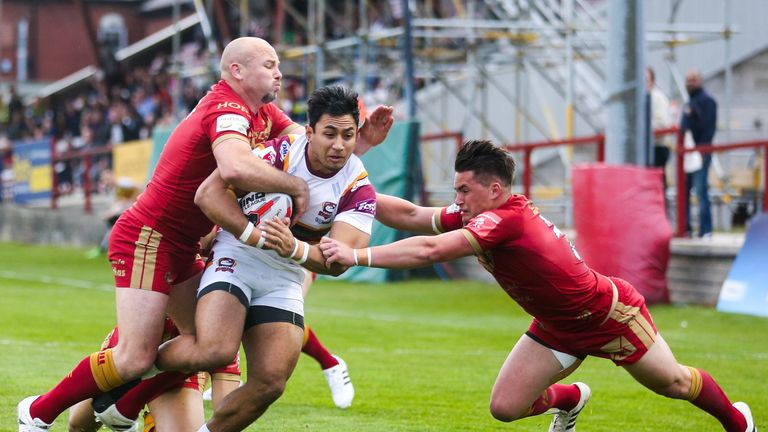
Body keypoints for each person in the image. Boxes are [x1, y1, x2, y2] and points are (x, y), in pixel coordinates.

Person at [17, 36, 392, 431]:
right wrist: (284, 198)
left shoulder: (265, 113)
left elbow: (314, 149)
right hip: (152, 236)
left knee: (209, 347)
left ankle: (125, 404)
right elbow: (232, 169)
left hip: (191, 244)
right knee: (134, 357)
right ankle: (39, 412)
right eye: (269, 64)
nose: (279, 71)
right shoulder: (227, 108)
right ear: (237, 71)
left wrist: (359, 140)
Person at [319, 140, 756, 432]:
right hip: (556, 325)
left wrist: (357, 256)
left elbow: (431, 249)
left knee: (675, 384)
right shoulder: (478, 212)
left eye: (464, 191)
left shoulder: (503, 220)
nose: (457, 200)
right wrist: (352, 193)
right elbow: (414, 217)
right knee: (505, 409)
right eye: (456, 190)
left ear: (494, 188)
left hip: (610, 316)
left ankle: (740, 423)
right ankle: (571, 399)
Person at [153, 85, 374, 432]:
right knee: (216, 351)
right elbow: (209, 194)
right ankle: (133, 368)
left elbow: (339, 261)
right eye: (329, 133)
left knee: (271, 381)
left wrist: (293, 249)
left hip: (285, 273)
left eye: (348, 135)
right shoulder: (279, 153)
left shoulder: (357, 185)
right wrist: (249, 234)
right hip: (237, 256)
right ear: (309, 131)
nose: (339, 145)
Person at [67, 319, 242, 432]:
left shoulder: (224, 332)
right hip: (132, 351)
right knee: (79, 425)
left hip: (180, 373)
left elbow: (227, 409)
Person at [681, 69, 717, 238]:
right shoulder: (689, 102)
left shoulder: (706, 101)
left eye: (693, 79)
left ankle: (706, 229)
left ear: (701, 81)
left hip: (700, 153)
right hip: (687, 153)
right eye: (688, 80)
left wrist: (702, 150)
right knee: (685, 190)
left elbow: (709, 128)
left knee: (701, 190)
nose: (690, 83)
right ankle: (686, 228)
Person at [646, 67, 674, 189]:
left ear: (651, 81)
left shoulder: (657, 98)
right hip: (649, 147)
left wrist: (641, 129)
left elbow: (661, 124)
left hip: (657, 147)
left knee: (655, 184)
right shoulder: (644, 98)